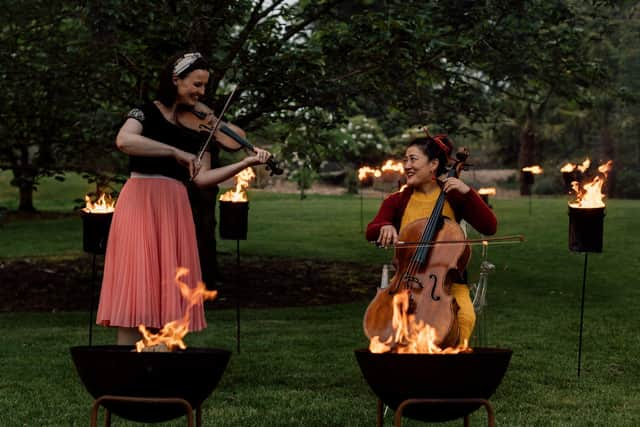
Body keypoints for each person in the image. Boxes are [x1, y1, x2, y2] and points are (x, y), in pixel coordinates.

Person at [96, 51, 271, 345]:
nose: (201, 93)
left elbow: (202, 178)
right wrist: (173, 151)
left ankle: (163, 357)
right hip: (140, 199)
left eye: (205, 86)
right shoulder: (145, 112)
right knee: (136, 278)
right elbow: (124, 140)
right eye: (196, 84)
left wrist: (245, 163)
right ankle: (125, 361)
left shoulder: (198, 127)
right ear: (176, 80)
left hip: (174, 204)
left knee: (169, 284)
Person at [365, 133, 497, 346]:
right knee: (389, 321)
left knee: (463, 318)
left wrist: (468, 193)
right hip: (405, 283)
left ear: (434, 164)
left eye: (413, 159)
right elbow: (372, 230)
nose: (407, 165)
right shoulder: (398, 200)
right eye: (405, 159)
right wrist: (385, 225)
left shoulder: (454, 196)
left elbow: (489, 227)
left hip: (447, 285)